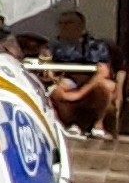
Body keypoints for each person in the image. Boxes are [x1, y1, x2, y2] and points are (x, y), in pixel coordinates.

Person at [46, 10, 117, 140]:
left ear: (81, 26)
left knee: (105, 87)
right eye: (61, 23)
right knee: (57, 91)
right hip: (68, 79)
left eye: (68, 23)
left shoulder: (95, 45)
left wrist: (81, 92)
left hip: (92, 80)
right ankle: (72, 123)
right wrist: (49, 73)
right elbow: (47, 66)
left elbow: (103, 71)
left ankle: (98, 124)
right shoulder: (54, 45)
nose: (63, 26)